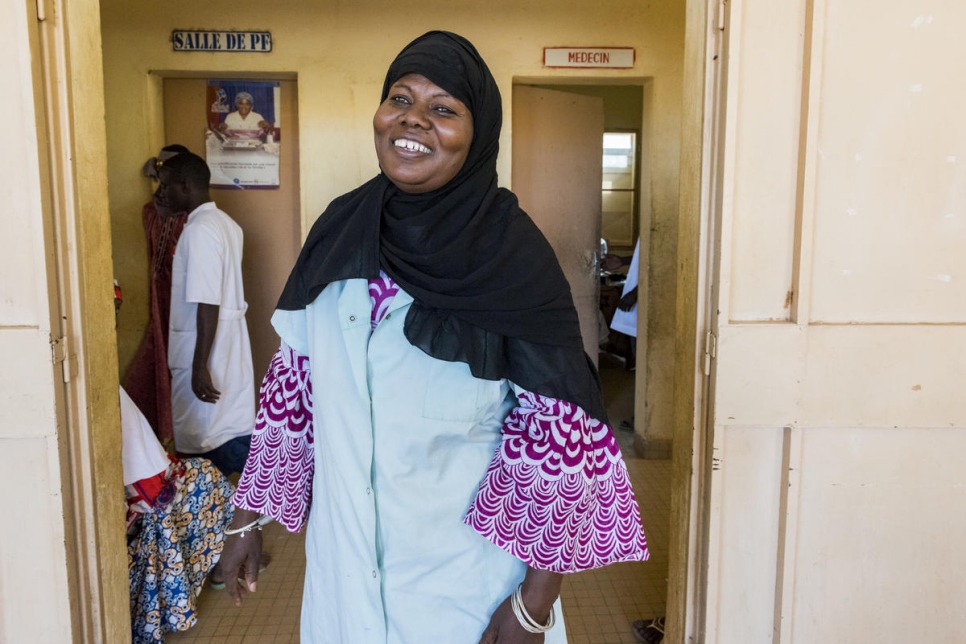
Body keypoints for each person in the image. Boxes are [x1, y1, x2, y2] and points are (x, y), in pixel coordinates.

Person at [218, 31, 650, 643]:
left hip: (464, 594)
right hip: (345, 586)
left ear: (478, 137)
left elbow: (562, 433)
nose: (412, 119)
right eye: (399, 98)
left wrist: (533, 606)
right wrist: (245, 520)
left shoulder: (510, 257)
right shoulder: (342, 228)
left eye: (443, 108)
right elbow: (295, 388)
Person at [156, 152, 256, 477]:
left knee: (203, 442)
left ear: (185, 186)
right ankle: (233, 510)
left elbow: (207, 302)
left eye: (166, 185)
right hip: (228, 347)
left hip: (206, 350)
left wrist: (199, 366)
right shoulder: (228, 224)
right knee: (227, 430)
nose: (161, 193)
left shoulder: (199, 232)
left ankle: (214, 515)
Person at [121, 385, 235, 644]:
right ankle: (223, 563)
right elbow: (154, 488)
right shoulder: (105, 392)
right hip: (137, 515)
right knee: (204, 475)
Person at [122, 144, 191, 445]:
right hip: (158, 303)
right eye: (159, 185)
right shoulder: (151, 214)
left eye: (169, 186)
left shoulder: (196, 222)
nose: (161, 192)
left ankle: (172, 436)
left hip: (182, 305)